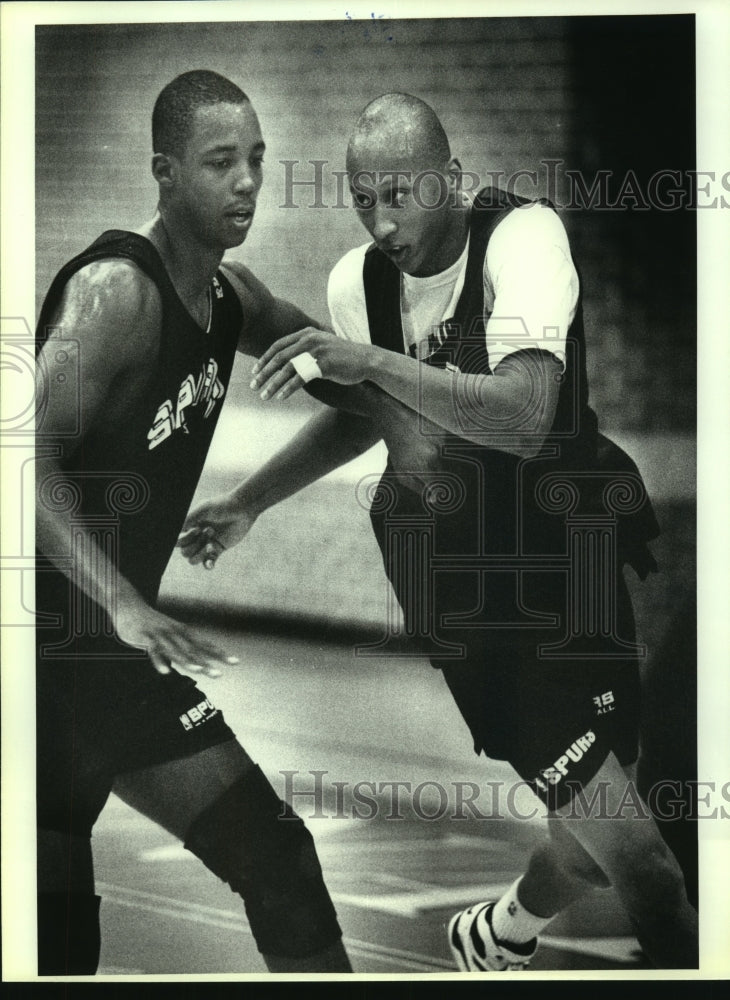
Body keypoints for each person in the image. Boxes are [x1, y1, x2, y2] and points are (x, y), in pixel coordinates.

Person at [179, 93, 700, 971]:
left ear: (450, 180)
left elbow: (530, 418)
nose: (383, 224)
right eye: (363, 201)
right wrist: (251, 501)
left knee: (594, 846)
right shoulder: (360, 286)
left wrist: (370, 361)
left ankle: (500, 932)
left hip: (570, 554)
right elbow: (371, 418)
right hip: (478, 599)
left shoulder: (524, 239)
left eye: (402, 196)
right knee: (647, 867)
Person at [34, 70, 351, 975]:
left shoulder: (232, 299)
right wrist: (127, 602)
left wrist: (251, 501)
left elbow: (357, 396)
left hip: (105, 666)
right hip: (36, 658)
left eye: (256, 159)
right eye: (220, 162)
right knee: (54, 943)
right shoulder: (117, 292)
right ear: (164, 173)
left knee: (280, 858)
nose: (247, 181)